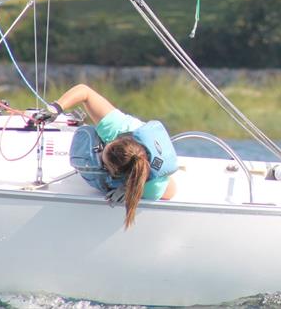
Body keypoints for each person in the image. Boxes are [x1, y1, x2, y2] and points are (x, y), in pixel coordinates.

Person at [31, 84, 177, 228]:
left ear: (115, 172)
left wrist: (131, 189)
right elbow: (84, 91)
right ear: (116, 139)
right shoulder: (115, 127)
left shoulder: (152, 186)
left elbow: (171, 191)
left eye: (103, 160)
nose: (99, 154)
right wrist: (55, 108)